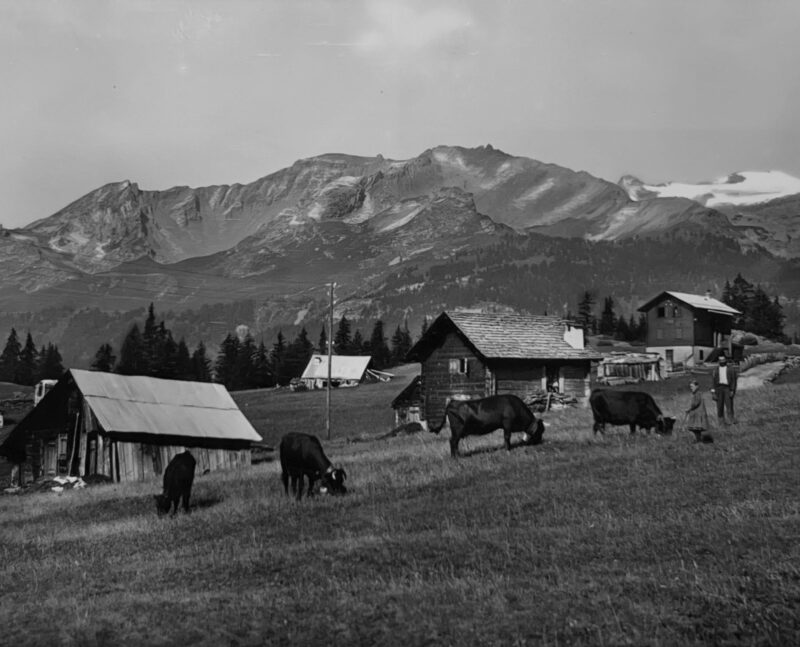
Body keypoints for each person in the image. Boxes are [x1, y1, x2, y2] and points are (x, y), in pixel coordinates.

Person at [711, 354, 738, 426]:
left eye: (723, 360)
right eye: (720, 360)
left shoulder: (731, 369)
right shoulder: (716, 370)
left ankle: (731, 421)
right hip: (719, 388)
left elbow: (733, 380)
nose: (722, 362)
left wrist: (732, 390)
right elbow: (713, 381)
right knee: (719, 406)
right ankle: (721, 423)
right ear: (718, 361)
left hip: (727, 388)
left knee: (729, 405)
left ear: (725, 360)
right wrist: (713, 392)